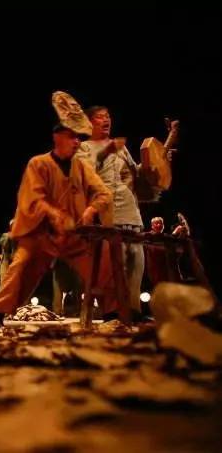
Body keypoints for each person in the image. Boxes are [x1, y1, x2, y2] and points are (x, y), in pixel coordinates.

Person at [0, 124, 116, 328]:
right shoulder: (38, 164)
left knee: (102, 262)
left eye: (79, 138)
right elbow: (32, 198)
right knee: (21, 266)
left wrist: (91, 209)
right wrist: (53, 213)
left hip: (74, 235)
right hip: (42, 234)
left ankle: (112, 314)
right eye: (72, 137)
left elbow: (104, 193)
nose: (77, 142)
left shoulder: (81, 166)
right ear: (58, 138)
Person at [75, 106, 170, 320]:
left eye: (108, 116)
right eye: (99, 117)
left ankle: (134, 310)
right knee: (113, 267)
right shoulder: (84, 148)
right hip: (108, 214)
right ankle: (113, 313)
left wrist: (160, 157)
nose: (106, 120)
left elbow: (137, 175)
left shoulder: (121, 148)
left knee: (136, 265)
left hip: (131, 213)